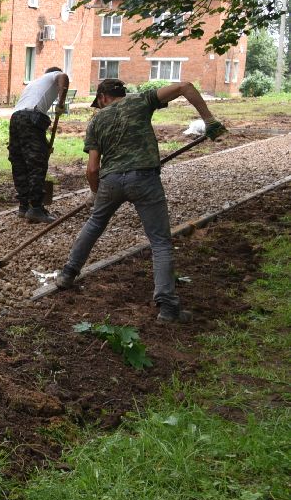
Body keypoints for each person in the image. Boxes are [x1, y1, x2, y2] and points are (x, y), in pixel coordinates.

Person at [54, 78, 226, 322]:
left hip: (111, 181)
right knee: (160, 242)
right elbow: (185, 86)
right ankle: (167, 308)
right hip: (144, 178)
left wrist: (96, 193)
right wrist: (209, 120)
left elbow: (92, 169)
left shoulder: (97, 120)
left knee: (94, 224)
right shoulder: (141, 100)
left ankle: (67, 274)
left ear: (102, 97)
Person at [9, 66, 70, 222]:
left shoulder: (34, 83)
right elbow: (64, 77)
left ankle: (24, 206)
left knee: (20, 162)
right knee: (37, 164)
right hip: (31, 116)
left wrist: (44, 144)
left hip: (16, 118)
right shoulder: (55, 75)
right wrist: (61, 103)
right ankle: (36, 208)